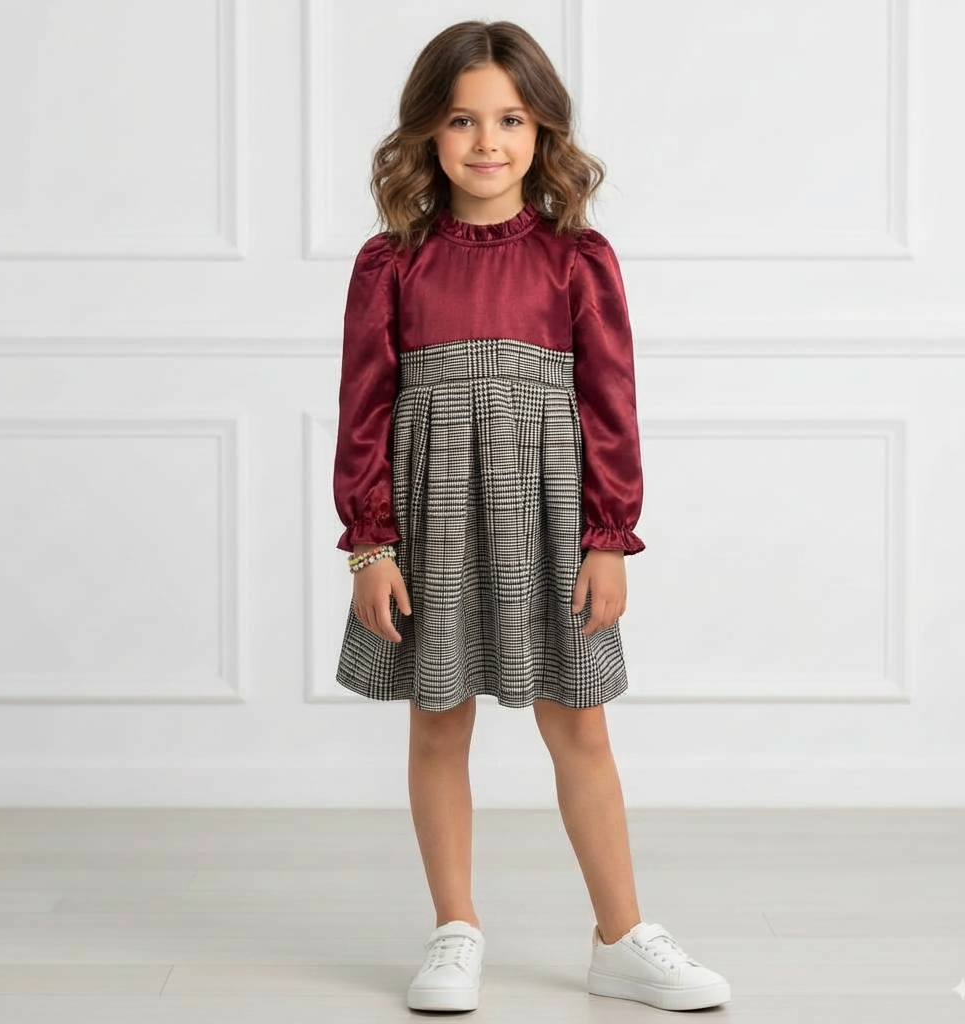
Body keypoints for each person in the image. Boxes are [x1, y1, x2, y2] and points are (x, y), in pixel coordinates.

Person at [332, 19, 731, 1014]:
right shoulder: (391, 264)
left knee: (580, 724)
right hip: (430, 519)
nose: (486, 142)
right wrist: (370, 544)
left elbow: (609, 405)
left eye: (509, 119)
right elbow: (364, 409)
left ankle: (622, 936)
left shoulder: (577, 259)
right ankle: (455, 928)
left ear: (543, 128)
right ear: (427, 131)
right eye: (462, 119)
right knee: (437, 721)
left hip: (552, 519)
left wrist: (608, 537)